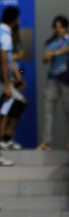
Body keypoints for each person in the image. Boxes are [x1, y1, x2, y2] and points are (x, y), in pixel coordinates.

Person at [0, 7, 27, 166]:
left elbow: (8, 60)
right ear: (15, 19)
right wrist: (8, 85)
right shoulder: (5, 36)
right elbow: (3, 61)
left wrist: (17, 77)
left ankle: (4, 140)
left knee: (4, 111)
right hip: (1, 82)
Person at [37, 15, 69, 150]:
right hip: (53, 78)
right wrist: (46, 57)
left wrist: (56, 53)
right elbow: (45, 60)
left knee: (68, 110)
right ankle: (46, 141)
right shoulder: (51, 42)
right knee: (47, 110)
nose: (58, 30)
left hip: (66, 79)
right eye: (56, 27)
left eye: (61, 27)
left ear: (65, 27)